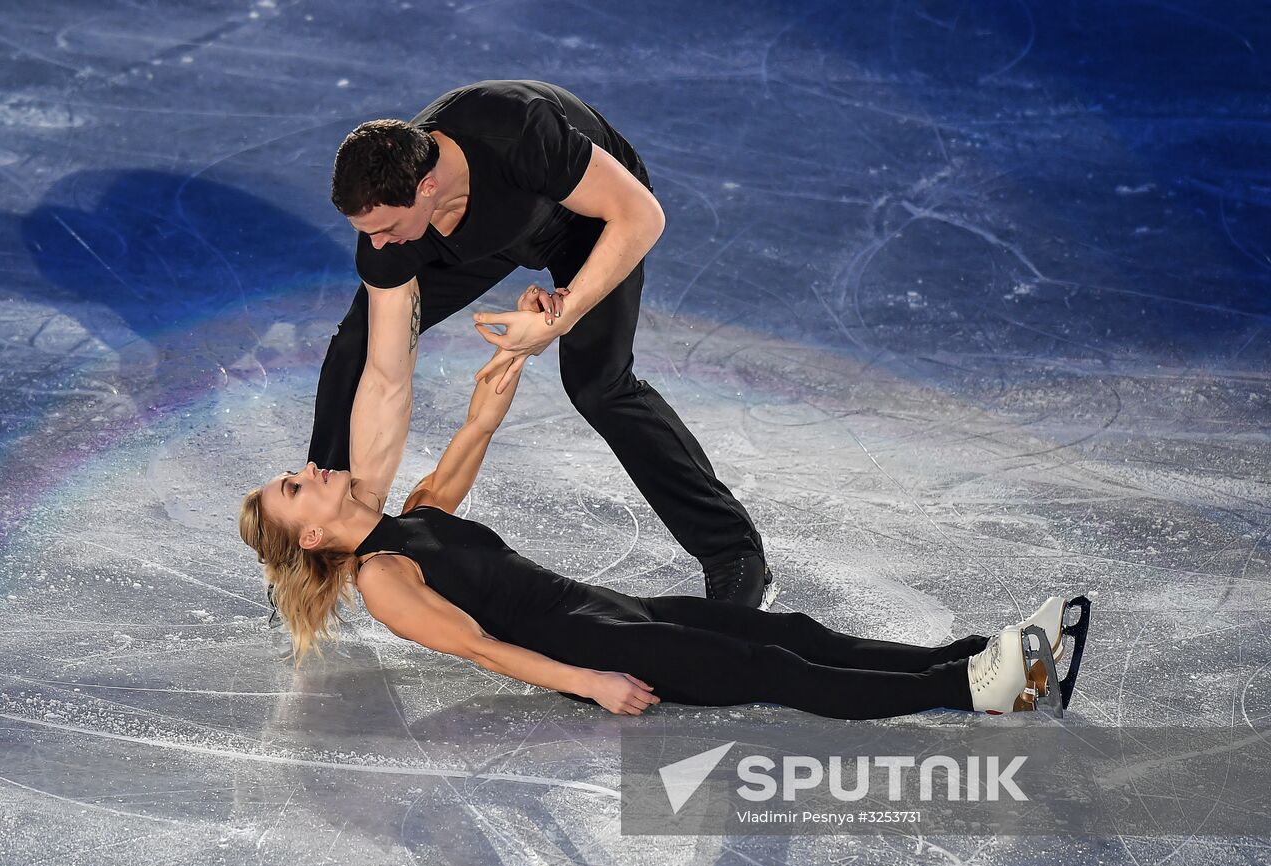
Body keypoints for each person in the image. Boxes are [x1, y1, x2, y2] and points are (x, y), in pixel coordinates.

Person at [241, 310, 1085, 718]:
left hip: (617, 611)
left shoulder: (416, 514)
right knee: (775, 674)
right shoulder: (384, 577)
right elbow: (484, 648)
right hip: (598, 646)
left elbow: (481, 414)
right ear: (310, 535)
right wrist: (594, 684)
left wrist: (524, 339)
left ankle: (974, 655)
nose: (311, 467)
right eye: (295, 484)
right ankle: (981, 688)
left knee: (789, 629)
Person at [309, 79, 774, 608]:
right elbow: (387, 379)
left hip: (592, 216)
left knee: (598, 385)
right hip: (485, 231)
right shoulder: (391, 232)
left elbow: (642, 216)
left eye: (386, 228)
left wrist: (559, 318)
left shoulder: (519, 130)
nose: (376, 244)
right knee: (355, 348)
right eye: (366, 231)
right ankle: (320, 542)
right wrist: (362, 519)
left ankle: (732, 553)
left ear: (426, 187)